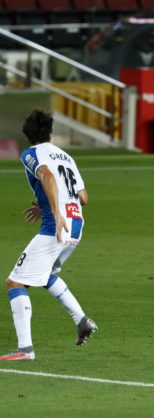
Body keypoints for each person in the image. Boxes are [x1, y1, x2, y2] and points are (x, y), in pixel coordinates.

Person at [0, 109, 98, 361]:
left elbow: (46, 175)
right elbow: (84, 197)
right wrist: (43, 203)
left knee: (14, 282)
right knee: (46, 276)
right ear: (50, 132)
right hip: (76, 224)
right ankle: (82, 321)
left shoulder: (30, 154)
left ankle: (25, 350)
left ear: (26, 133)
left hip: (56, 226)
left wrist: (54, 212)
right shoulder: (66, 156)